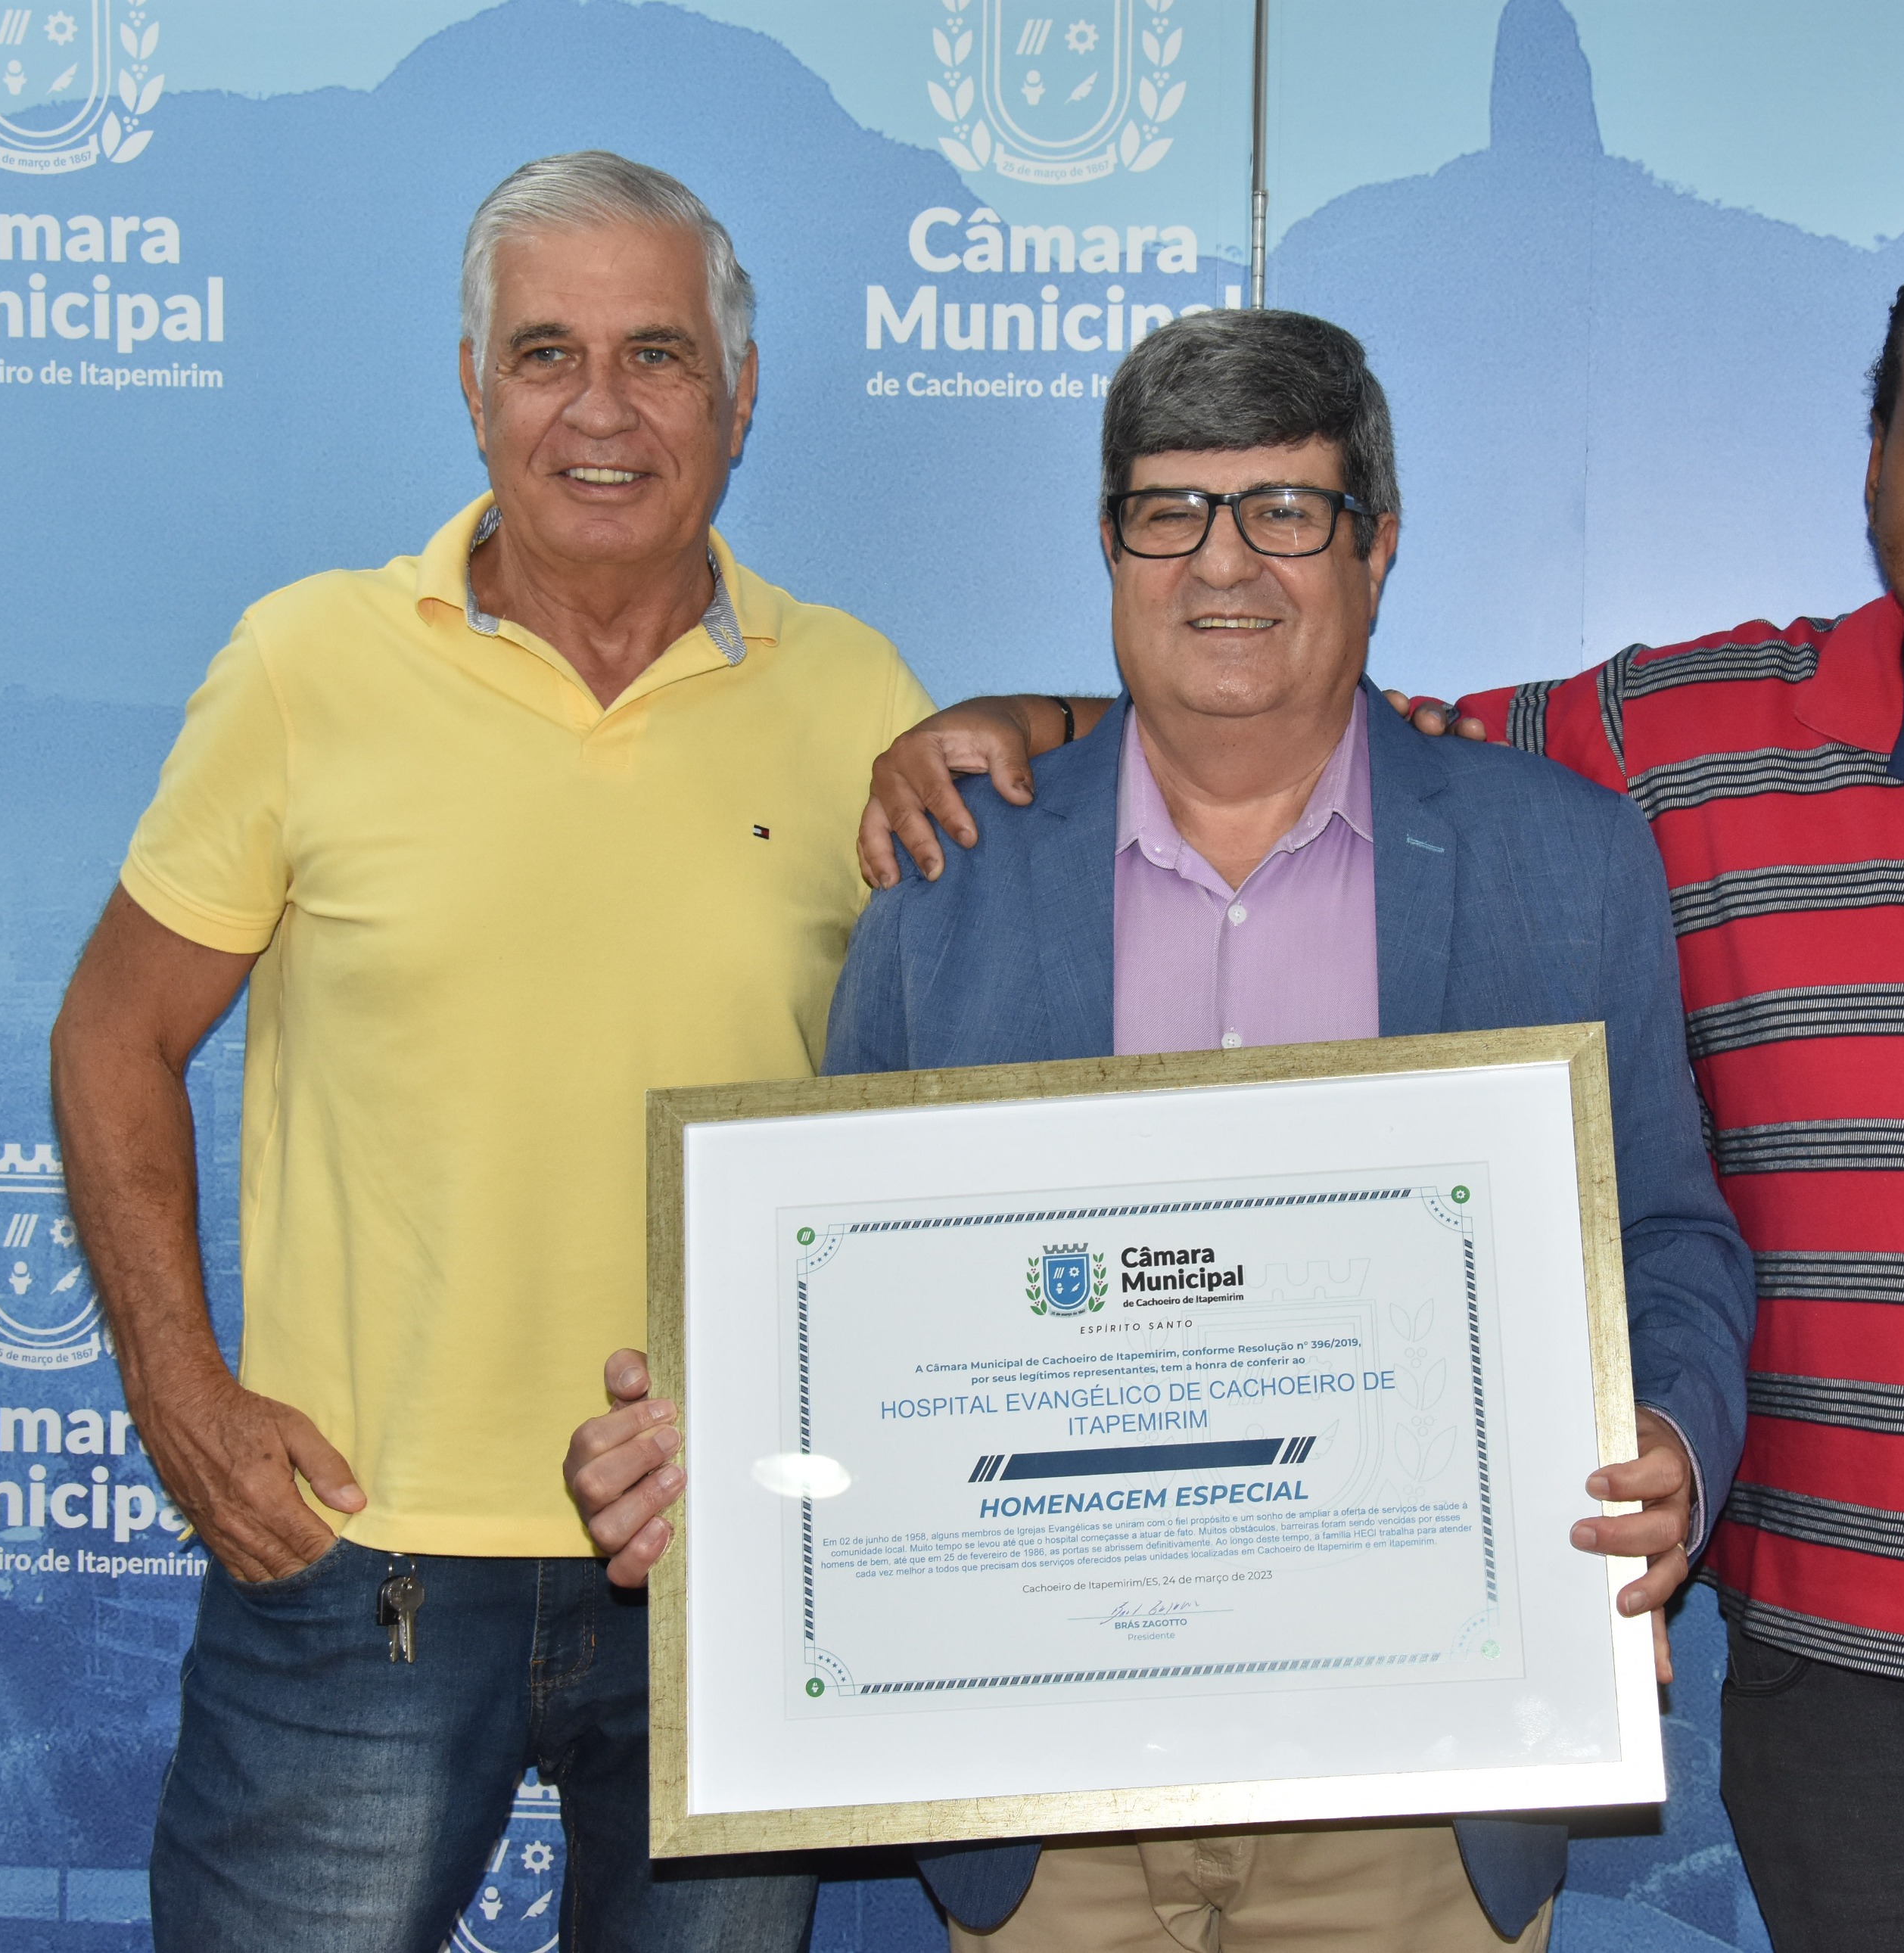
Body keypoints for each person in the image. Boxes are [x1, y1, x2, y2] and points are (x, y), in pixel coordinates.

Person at [853, 220, 1904, 1953]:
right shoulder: (1678, 743)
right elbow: (1299, 713)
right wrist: (1037, 723)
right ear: (1876, 468)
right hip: (1858, 1713)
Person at [564, 308, 1756, 1952]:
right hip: (1042, 1802)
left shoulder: (1563, 860)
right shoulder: (947, 879)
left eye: (1286, 510)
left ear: (1377, 546)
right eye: (1169, 510)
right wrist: (710, 1449)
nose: (1224, 563)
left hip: (1417, 1792)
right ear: (1111, 543)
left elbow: (1670, 1235)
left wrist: (1671, 1438)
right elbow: (840, 1310)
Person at [48, 151, 933, 1951]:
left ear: (740, 392)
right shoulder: (304, 665)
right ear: (474, 387)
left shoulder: (859, 698)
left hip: (730, 1558)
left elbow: (938, 1112)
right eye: (546, 354)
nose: (600, 408)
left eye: (656, 353)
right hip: (355, 1555)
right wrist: (182, 1398)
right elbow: (112, 1034)